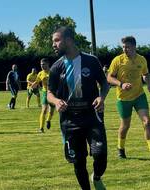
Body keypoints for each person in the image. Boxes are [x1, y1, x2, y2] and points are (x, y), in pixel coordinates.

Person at [48, 26, 109, 190]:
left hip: (92, 116)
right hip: (70, 120)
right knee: (78, 162)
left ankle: (96, 177)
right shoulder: (55, 67)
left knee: (100, 155)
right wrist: (56, 101)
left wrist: (101, 97)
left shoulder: (91, 61)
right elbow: (49, 93)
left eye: (56, 40)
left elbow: (104, 84)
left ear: (68, 40)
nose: (53, 44)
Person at [107, 36, 150, 163]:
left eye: (127, 47)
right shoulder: (118, 60)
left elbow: (145, 73)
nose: (125, 49)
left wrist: (149, 84)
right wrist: (121, 84)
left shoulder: (141, 59)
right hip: (123, 99)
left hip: (139, 96)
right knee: (125, 125)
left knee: (147, 122)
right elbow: (109, 78)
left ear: (134, 47)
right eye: (123, 47)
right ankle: (120, 148)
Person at [31, 58, 55, 133]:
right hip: (45, 92)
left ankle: (48, 120)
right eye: (41, 64)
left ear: (48, 64)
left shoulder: (53, 72)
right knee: (44, 110)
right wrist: (32, 86)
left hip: (53, 93)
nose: (42, 66)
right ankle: (41, 128)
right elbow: (37, 81)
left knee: (51, 111)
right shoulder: (40, 73)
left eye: (44, 64)